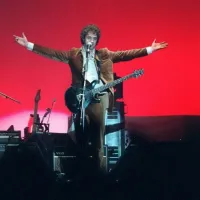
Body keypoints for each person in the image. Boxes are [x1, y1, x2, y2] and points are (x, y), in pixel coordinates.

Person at [13, 24, 168, 172]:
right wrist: (29, 45)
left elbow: (126, 54)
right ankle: (82, 172)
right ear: (83, 39)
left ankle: (99, 176)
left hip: (100, 98)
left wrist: (149, 49)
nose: (92, 41)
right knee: (80, 137)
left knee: (98, 141)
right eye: (89, 38)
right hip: (81, 99)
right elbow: (53, 53)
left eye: (94, 38)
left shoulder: (105, 54)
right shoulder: (73, 54)